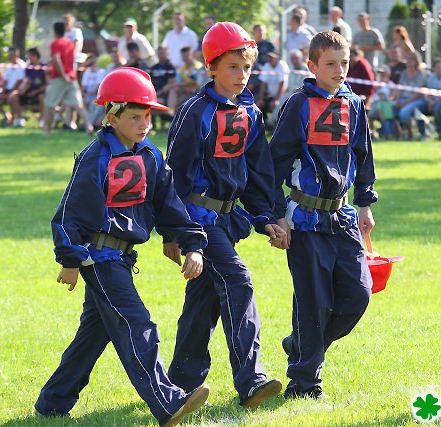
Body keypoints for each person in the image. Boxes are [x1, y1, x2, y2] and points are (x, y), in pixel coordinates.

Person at [34, 67, 210, 425]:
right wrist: (70, 258)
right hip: (98, 259)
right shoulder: (94, 157)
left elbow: (170, 207)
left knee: (93, 334)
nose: (144, 123)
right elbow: (71, 211)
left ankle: (52, 402)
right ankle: (168, 402)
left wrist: (192, 245)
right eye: (134, 116)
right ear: (111, 117)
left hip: (123, 257)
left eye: (147, 115)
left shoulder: (151, 157)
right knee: (137, 323)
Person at [163, 22, 285, 408]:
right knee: (238, 281)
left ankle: (180, 382)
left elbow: (258, 169)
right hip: (198, 220)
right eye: (232, 67)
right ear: (211, 67)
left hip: (229, 220)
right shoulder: (194, 112)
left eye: (246, 67)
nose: (241, 75)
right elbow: (174, 175)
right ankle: (251, 381)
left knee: (204, 299)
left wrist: (268, 216)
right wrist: (174, 231)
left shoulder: (249, 108)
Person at [269, 30, 376, 399]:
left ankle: (300, 344)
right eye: (331, 64)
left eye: (344, 63)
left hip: (342, 217)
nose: (340, 70)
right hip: (305, 220)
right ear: (312, 66)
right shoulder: (298, 104)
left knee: (359, 295)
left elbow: (363, 156)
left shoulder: (354, 104)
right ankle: (304, 384)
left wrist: (364, 205)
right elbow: (275, 162)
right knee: (314, 303)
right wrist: (275, 215)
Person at [43, 22, 93, 136]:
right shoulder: (70, 43)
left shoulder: (55, 43)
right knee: (78, 104)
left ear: (55, 31)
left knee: (49, 103)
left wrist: (63, 75)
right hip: (72, 77)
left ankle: (47, 131)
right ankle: (88, 127)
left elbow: (56, 59)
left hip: (59, 78)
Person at [267, 49, 310, 127]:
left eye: (296, 58)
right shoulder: (291, 69)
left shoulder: (306, 70)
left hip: (302, 95)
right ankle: (273, 122)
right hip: (290, 94)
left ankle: (274, 122)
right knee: (282, 100)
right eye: (292, 59)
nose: (294, 61)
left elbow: (308, 84)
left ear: (300, 58)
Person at [392, 51, 428, 141]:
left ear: (416, 61)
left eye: (411, 59)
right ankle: (399, 133)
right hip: (403, 99)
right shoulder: (403, 73)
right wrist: (397, 100)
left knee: (404, 112)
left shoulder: (421, 74)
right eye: (407, 59)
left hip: (418, 100)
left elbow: (419, 92)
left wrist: (405, 103)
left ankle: (410, 134)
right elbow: (400, 88)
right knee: (390, 108)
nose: (408, 61)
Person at [0, 46, 26, 127]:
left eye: (10, 55)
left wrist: (9, 93)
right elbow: (5, 81)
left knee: (11, 98)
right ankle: (7, 117)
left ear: (16, 56)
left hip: (18, 90)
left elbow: (19, 82)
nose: (9, 57)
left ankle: (18, 119)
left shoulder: (22, 66)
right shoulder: (9, 66)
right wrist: (3, 91)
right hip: (7, 90)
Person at [13, 47, 47, 128]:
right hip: (30, 90)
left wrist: (36, 91)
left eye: (29, 56)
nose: (28, 58)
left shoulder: (44, 66)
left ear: (35, 56)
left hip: (41, 91)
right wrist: (23, 89)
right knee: (14, 96)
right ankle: (19, 119)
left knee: (42, 97)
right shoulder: (29, 67)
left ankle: (42, 119)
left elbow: (48, 84)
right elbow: (28, 81)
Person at [165, 46, 202, 116]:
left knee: (177, 97)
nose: (185, 58)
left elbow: (191, 81)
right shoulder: (182, 68)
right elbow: (178, 81)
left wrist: (176, 85)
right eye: (183, 56)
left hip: (196, 92)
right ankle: (171, 111)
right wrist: (176, 85)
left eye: (187, 55)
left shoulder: (198, 67)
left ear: (192, 55)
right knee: (174, 90)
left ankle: (172, 112)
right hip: (184, 91)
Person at [149, 46, 176, 132]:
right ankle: (153, 127)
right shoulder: (154, 68)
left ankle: (170, 123)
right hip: (154, 93)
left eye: (162, 53)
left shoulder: (170, 67)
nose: (161, 55)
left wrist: (159, 93)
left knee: (160, 104)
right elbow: (150, 82)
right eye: (159, 53)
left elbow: (171, 83)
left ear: (166, 54)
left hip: (165, 94)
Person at [257, 51, 289, 122]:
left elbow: (283, 83)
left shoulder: (282, 65)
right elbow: (263, 83)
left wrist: (277, 99)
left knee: (278, 109)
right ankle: (264, 126)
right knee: (261, 106)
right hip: (270, 95)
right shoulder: (266, 65)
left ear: (277, 58)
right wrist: (261, 99)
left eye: (271, 57)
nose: (269, 59)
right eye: (268, 57)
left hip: (283, 95)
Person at [367, 64, 395, 139]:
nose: (382, 75)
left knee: (384, 115)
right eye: (381, 73)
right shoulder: (377, 83)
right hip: (375, 104)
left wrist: (388, 101)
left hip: (386, 105)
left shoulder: (390, 84)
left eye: (384, 73)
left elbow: (392, 95)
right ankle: (372, 133)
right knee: (370, 115)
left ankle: (388, 134)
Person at [80, 54, 106, 129]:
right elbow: (83, 86)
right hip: (87, 96)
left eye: (93, 63)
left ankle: (90, 124)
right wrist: (82, 95)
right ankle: (85, 124)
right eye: (90, 64)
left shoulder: (100, 72)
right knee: (82, 104)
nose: (92, 66)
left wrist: (87, 94)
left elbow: (98, 87)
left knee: (94, 105)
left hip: (97, 96)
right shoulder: (87, 73)